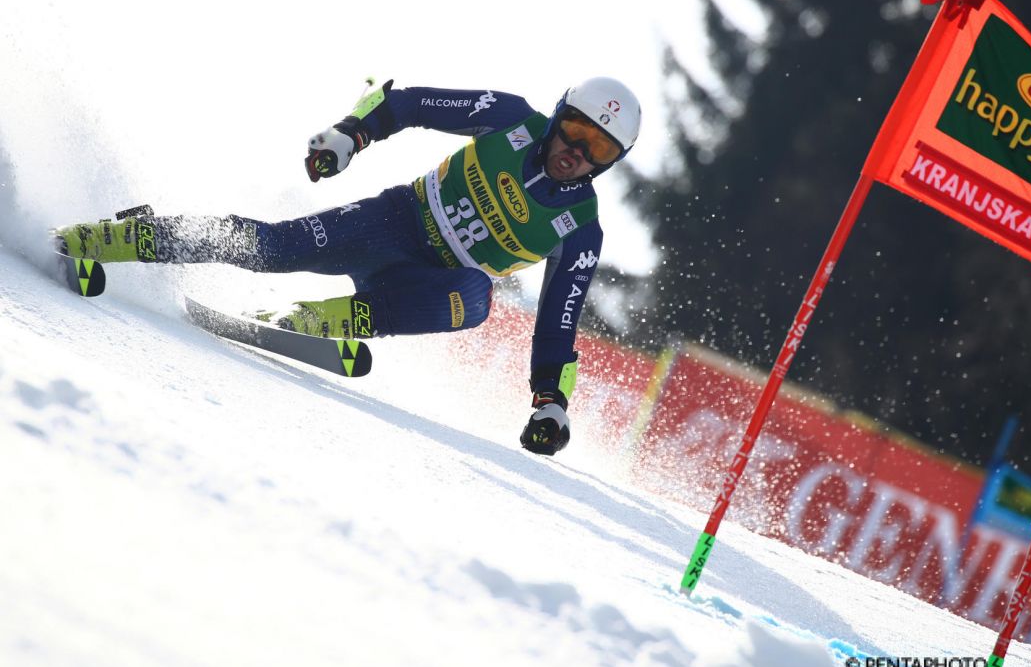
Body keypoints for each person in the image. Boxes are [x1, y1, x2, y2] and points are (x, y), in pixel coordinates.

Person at [53, 77, 642, 456]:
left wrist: (550, 401)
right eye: (576, 131)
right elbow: (409, 103)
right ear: (560, 114)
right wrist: (349, 135)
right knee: (273, 248)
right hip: (391, 222)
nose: (577, 153)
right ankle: (123, 236)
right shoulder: (513, 118)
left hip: (422, 286)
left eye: (600, 150)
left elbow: (558, 323)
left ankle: (329, 318)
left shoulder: (581, 229)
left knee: (478, 299)